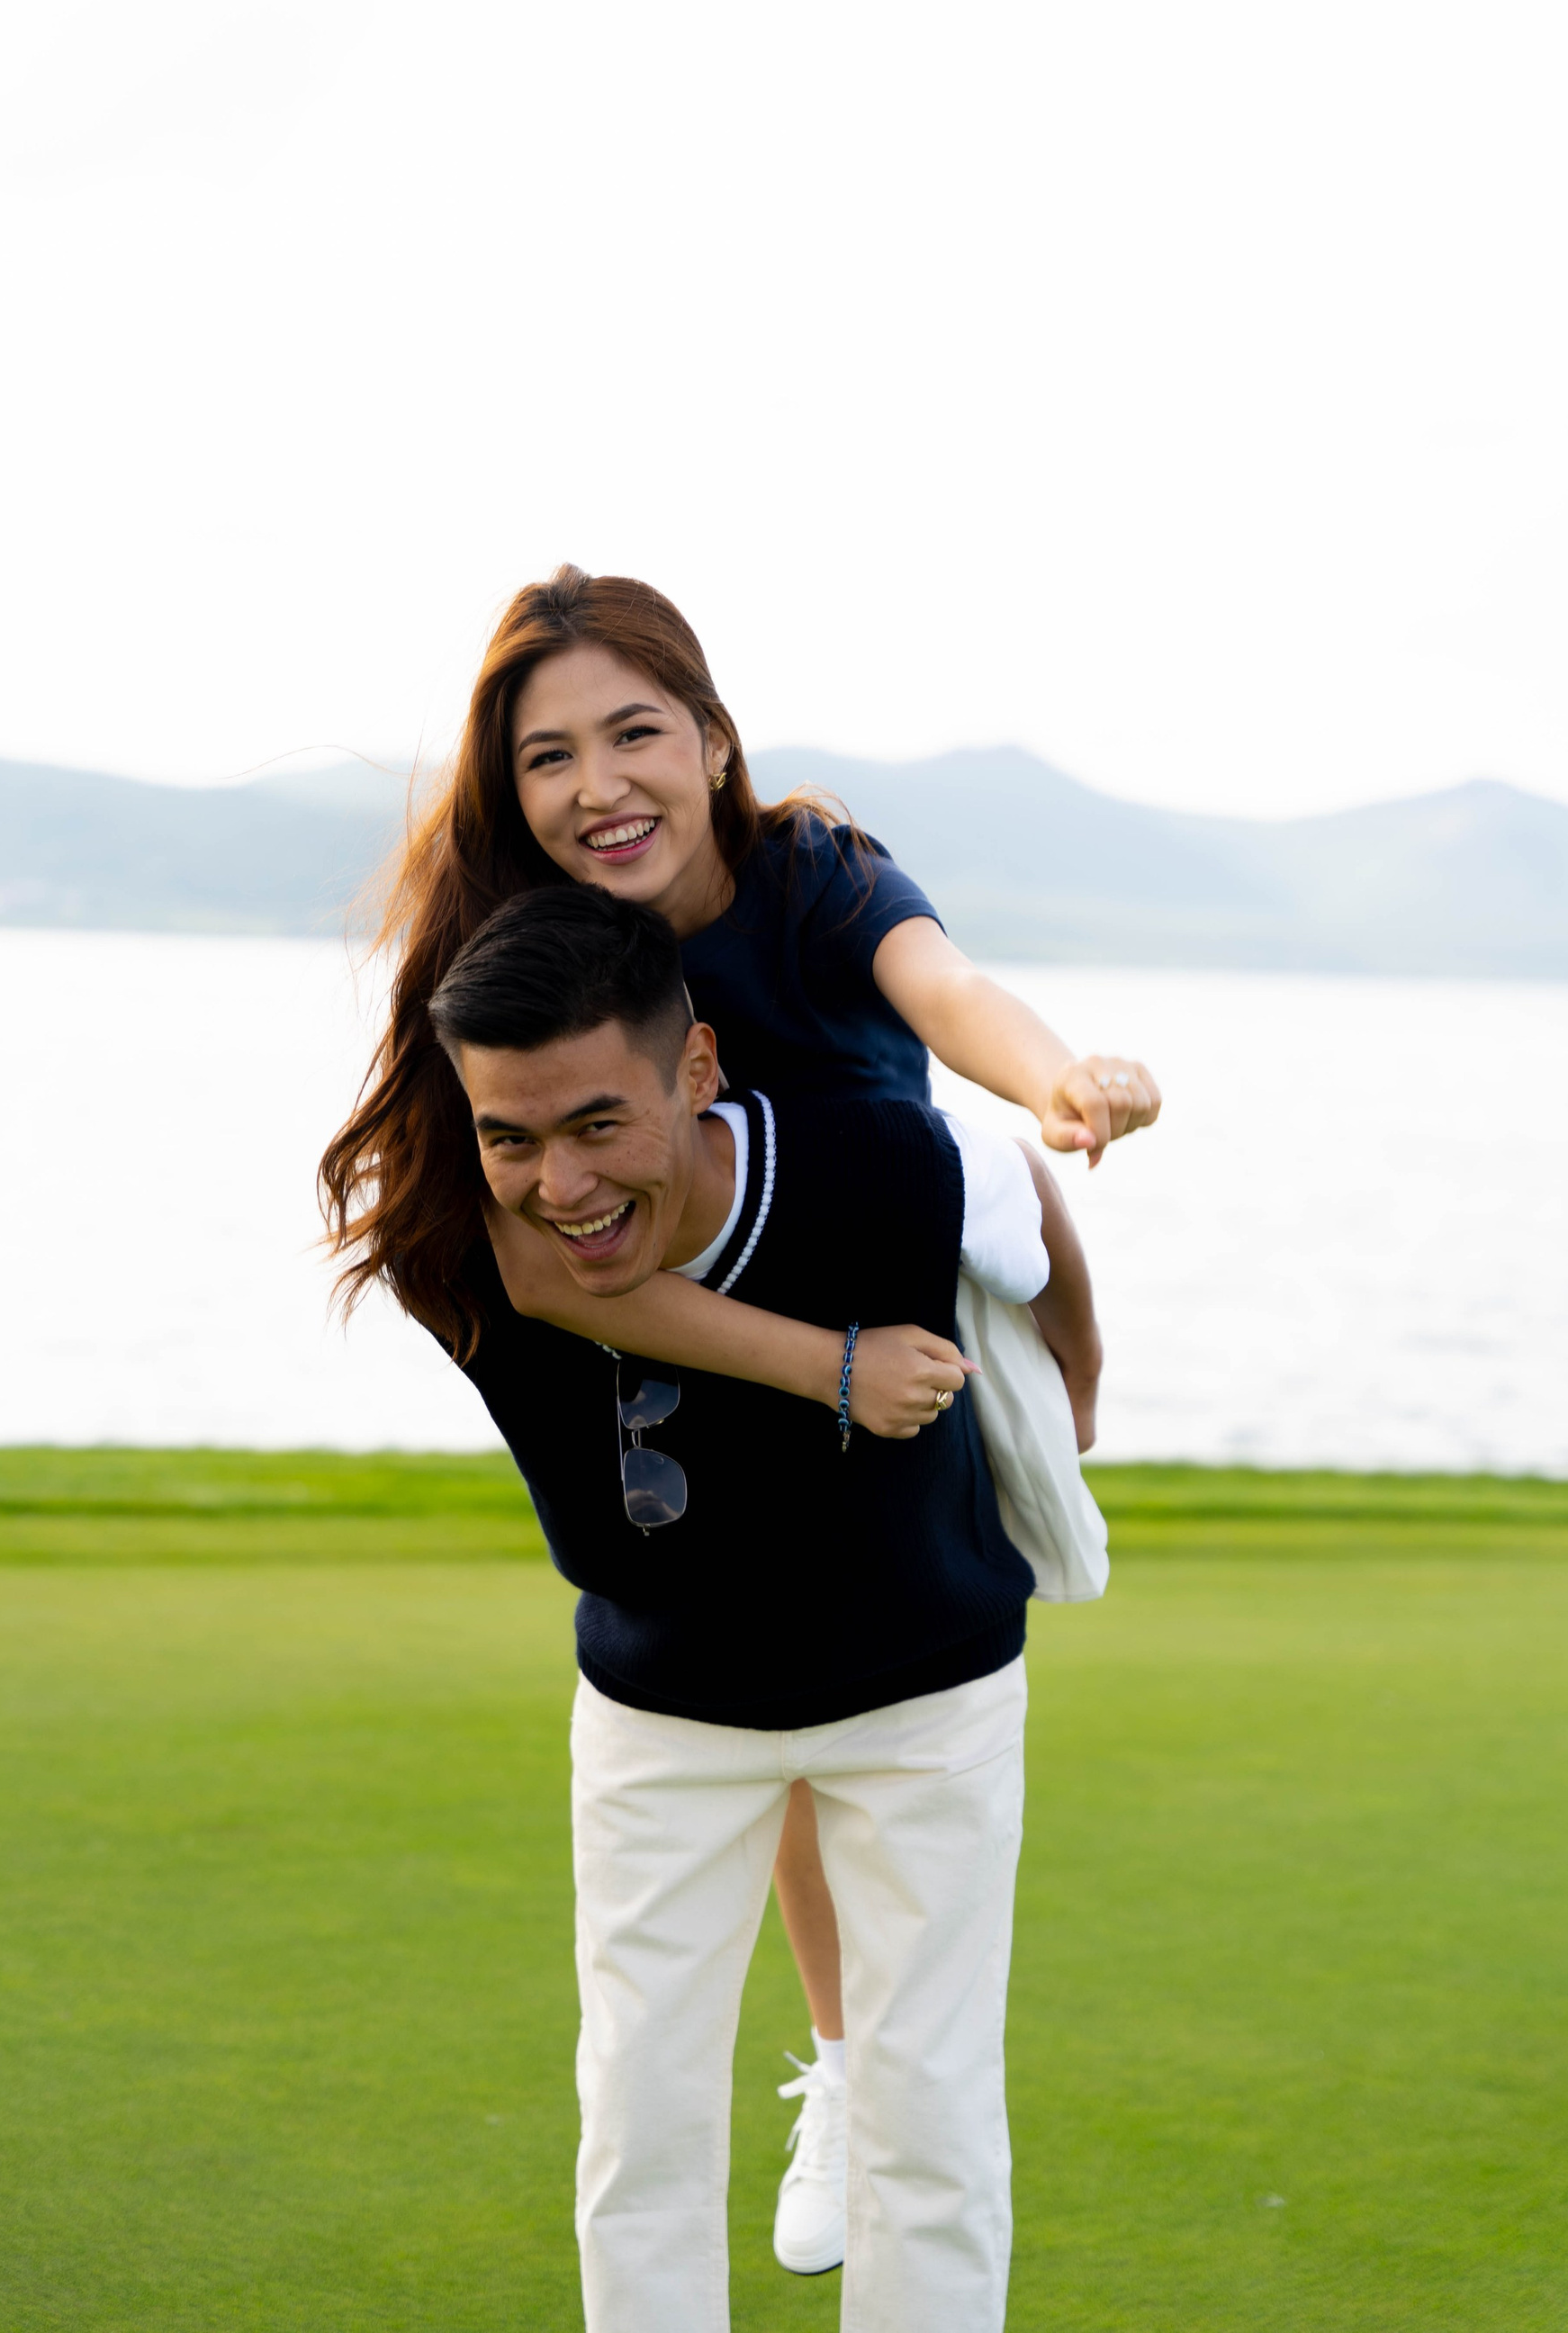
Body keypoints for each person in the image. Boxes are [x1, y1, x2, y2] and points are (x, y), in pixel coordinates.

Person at [320, 563, 1156, 2273]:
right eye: (547, 756)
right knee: (751, 1685)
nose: (596, 786)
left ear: (712, 738)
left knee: (850, 1675)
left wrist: (1061, 1084)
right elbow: (536, 1263)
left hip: (886, 1245)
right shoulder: (523, 960)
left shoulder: (812, 875)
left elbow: (952, 1009)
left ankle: (854, 2067)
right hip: (706, 1319)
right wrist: (819, 1364)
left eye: (635, 733)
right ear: (507, 789)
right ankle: (844, 2061)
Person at [420, 880, 1104, 2330]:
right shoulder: (459, 1250)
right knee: (639, 2118)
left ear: (698, 1070)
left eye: (599, 1123)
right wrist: (828, 1366)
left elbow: (1025, 1205)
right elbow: (541, 1245)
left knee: (930, 2119)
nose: (561, 1184)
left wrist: (1082, 1382)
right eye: (512, 1136)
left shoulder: (883, 1157)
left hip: (929, 1695)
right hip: (662, 1712)